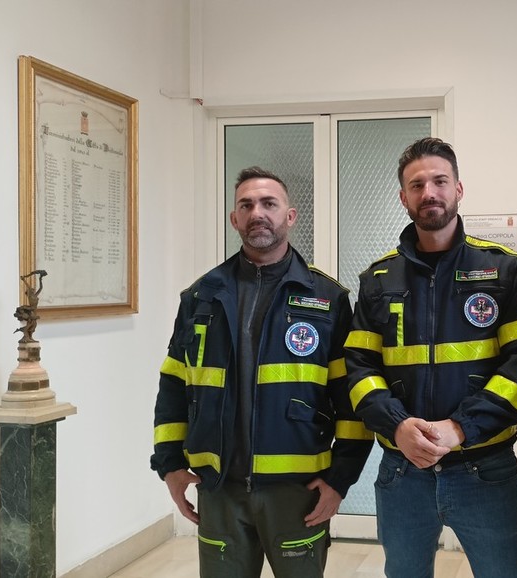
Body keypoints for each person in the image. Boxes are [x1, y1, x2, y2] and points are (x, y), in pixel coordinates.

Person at [150, 166, 372, 578]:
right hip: (219, 489)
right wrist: (170, 465)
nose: (257, 213)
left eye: (269, 203)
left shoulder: (328, 298)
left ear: (290, 216)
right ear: (234, 219)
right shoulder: (201, 296)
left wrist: (341, 479)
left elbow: (351, 398)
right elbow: (174, 387)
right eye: (246, 205)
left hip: (297, 492)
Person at [344, 137, 517, 578]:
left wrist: (460, 427)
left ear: (458, 189)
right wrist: (397, 425)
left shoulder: (504, 269)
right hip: (402, 469)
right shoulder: (377, 280)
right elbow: (359, 368)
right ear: (403, 197)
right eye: (416, 185)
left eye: (439, 181)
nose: (429, 192)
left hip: (484, 468)